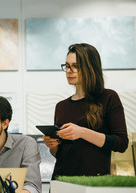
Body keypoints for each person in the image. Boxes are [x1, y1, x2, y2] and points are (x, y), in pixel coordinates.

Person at [43, 43, 128, 179]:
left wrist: (82, 132)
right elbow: (60, 154)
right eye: (67, 66)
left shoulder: (109, 97)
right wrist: (53, 146)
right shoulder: (61, 106)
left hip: (93, 182)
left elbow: (121, 143)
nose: (69, 71)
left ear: (90, 68)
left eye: (75, 66)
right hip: (62, 180)